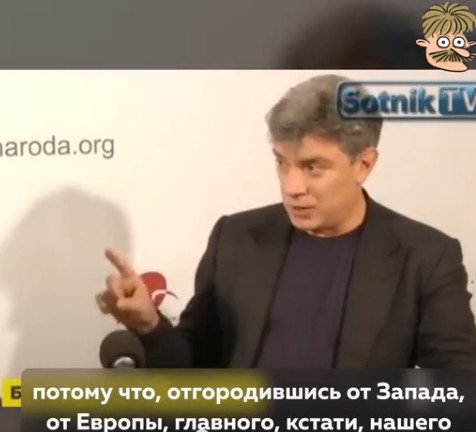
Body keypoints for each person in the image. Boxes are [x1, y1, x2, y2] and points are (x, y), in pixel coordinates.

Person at [97, 74, 476, 369]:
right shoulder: (236, 238)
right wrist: (149, 324)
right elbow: (195, 367)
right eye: (282, 162)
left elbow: (457, 390)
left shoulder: (426, 258)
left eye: (313, 167)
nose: (292, 186)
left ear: (363, 164)